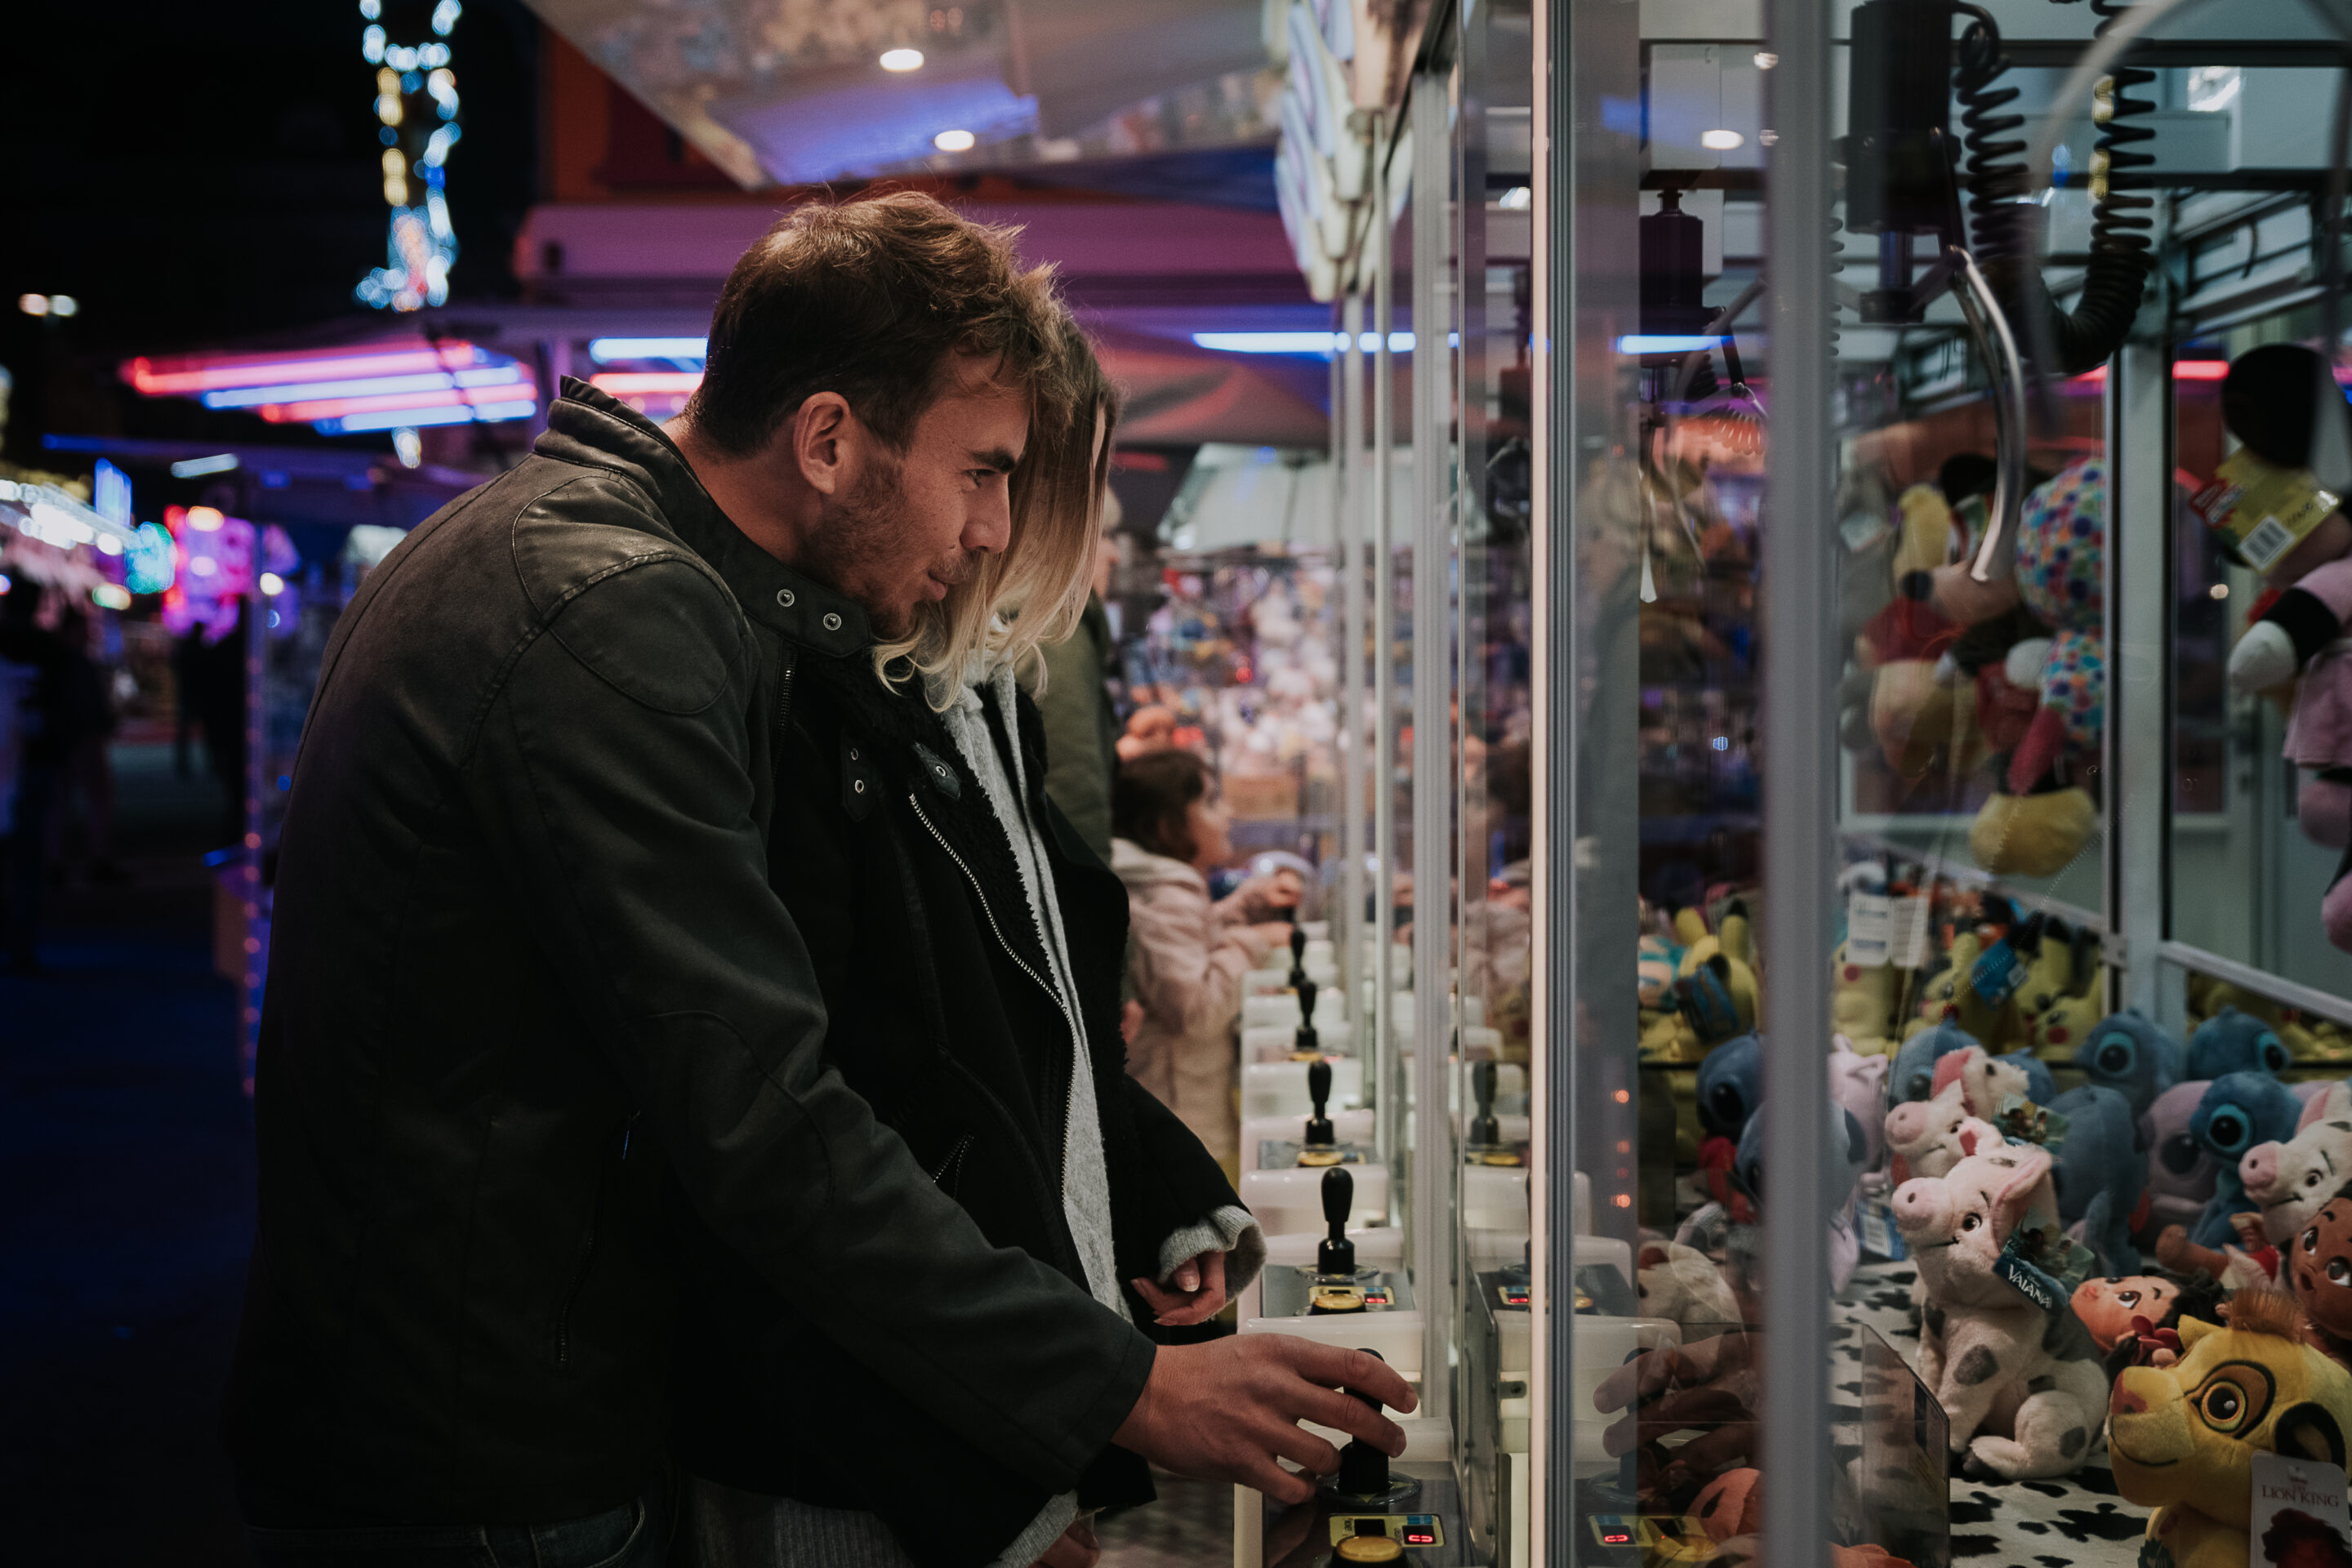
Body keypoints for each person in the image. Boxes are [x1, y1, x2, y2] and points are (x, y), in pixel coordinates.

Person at [225, 191, 1411, 1568]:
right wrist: (1120, 1390)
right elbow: (761, 1111)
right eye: (981, 471)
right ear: (831, 438)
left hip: (472, 1409)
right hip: (489, 1451)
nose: (994, 529)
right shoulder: (621, 610)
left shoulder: (580, 556)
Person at [670, 321, 1264, 1567]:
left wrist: (1156, 1196)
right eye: (989, 474)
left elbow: (1036, 1024)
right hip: (854, 1457)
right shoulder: (816, 700)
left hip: (973, 1398)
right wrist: (996, 1495)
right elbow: (798, 1163)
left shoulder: (981, 690)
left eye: (1016, 482)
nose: (998, 527)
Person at [1111, 748, 1300, 1169]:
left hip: (1180, 1107)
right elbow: (1198, 1010)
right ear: (1167, 825)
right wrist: (1254, 941)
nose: (1227, 814)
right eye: (1212, 802)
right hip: (1182, 1120)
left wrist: (1248, 905)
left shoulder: (1161, 890)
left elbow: (1191, 942)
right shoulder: (1163, 896)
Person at [1022, 497, 1121, 861]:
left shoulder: (1044, 620)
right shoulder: (1056, 632)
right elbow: (1072, 789)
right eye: (1104, 534)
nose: (1114, 555)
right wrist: (1095, 888)